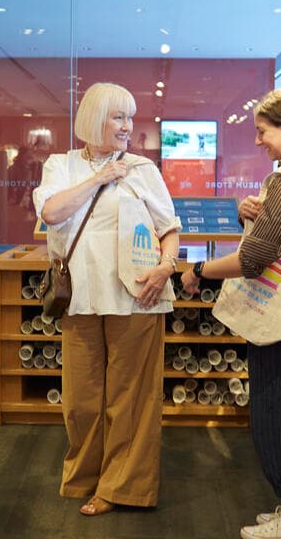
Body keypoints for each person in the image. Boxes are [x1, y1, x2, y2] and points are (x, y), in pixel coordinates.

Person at [180, 88, 281, 539]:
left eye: (263, 131)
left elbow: (253, 260)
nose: (258, 141)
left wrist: (198, 269)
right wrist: (248, 212)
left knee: (276, 410)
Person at [33, 82, 181, 517]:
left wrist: (166, 266)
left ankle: (122, 487)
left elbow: (169, 229)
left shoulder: (143, 169)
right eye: (119, 117)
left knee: (130, 398)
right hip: (80, 298)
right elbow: (51, 213)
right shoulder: (60, 165)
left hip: (138, 296)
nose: (127, 127)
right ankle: (84, 474)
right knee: (80, 398)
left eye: (130, 118)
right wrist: (100, 177)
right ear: (94, 118)